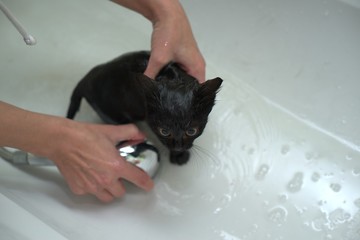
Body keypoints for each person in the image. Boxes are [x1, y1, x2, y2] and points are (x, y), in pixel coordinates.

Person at [0, 0, 205, 202]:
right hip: (105, 95)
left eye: (191, 131)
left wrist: (167, 11)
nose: (179, 146)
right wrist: (53, 139)